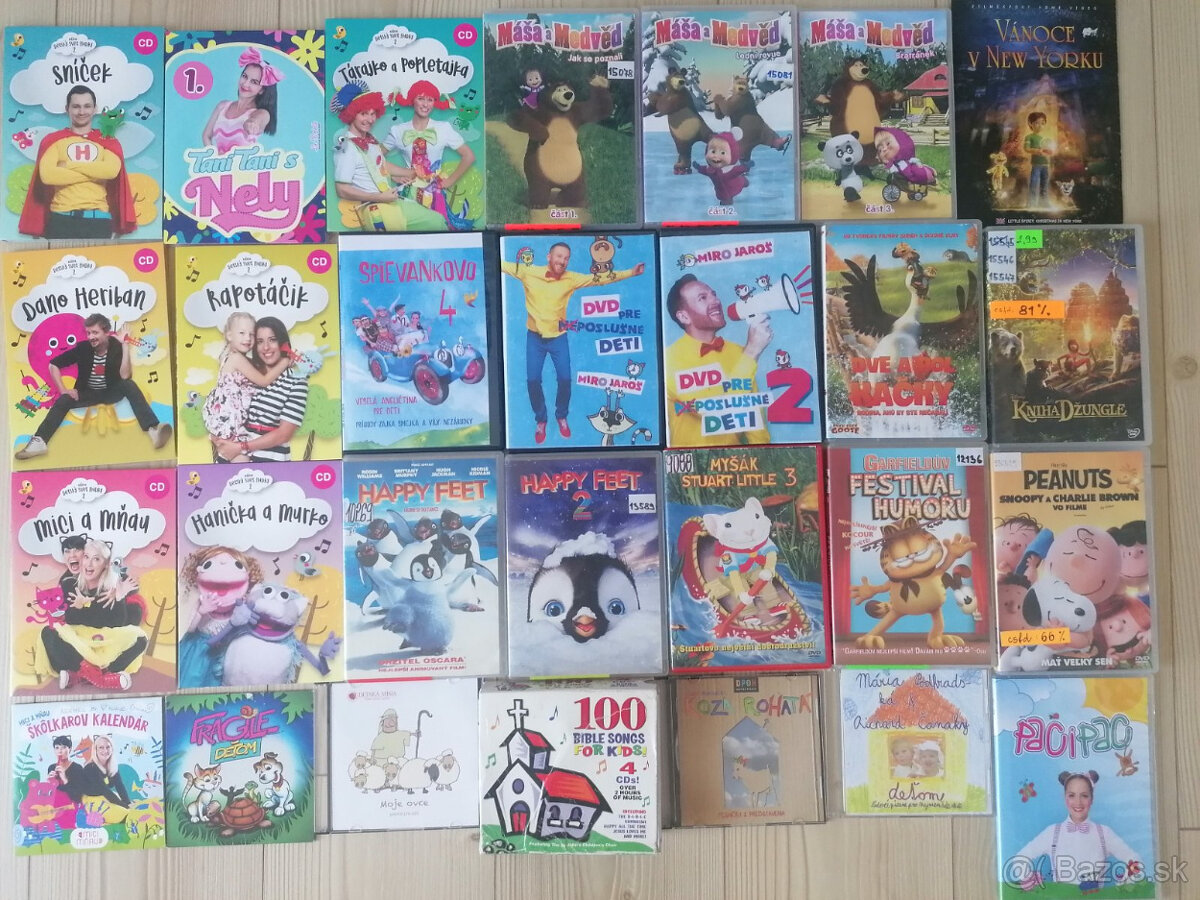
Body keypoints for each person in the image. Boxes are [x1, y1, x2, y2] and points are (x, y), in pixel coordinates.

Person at [501, 243, 645, 443]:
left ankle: (561, 416)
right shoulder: (528, 272)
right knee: (533, 380)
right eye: (559, 256)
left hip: (558, 338)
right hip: (534, 338)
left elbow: (599, 279)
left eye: (566, 258)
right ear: (549, 256)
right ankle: (541, 420)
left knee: (565, 380)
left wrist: (631, 272)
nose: (562, 261)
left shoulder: (571, 278)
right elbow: (499, 263)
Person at [15, 313, 172, 460]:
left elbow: (125, 376)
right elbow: (53, 365)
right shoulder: (83, 348)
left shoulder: (116, 347)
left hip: (111, 392)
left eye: (95, 332)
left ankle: (154, 430)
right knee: (64, 400)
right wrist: (64, 391)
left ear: (106, 332)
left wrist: (125, 346)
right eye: (88, 333)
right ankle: (39, 442)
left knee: (129, 384)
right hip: (87, 393)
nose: (91, 337)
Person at [664, 274, 772, 446]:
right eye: (703, 298)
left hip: (737, 461)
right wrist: (752, 352)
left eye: (714, 294)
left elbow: (754, 418)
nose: (716, 301)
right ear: (684, 317)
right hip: (692, 461)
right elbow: (715, 409)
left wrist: (765, 455)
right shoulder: (669, 359)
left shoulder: (739, 352)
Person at [18, 85, 137, 239]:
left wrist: (67, 165)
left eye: (87, 106)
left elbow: (110, 171)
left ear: (95, 109)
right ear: (67, 109)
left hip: (98, 220)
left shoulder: (107, 141)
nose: (81, 112)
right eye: (76, 106)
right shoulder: (53, 140)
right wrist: (95, 173)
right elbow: (48, 176)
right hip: (60, 219)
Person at [38, 539, 147, 691]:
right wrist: (79, 607)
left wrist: (119, 597)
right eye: (86, 557)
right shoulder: (69, 584)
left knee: (140, 639)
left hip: (105, 643)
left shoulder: (112, 588)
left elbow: (117, 624)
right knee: (48, 632)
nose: (89, 564)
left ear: (106, 564)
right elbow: (72, 622)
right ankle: (100, 677)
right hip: (78, 643)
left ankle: (80, 676)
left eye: (96, 559)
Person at [330, 82, 441, 232]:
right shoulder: (346, 147)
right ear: (351, 114)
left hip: (390, 202)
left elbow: (381, 165)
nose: (370, 120)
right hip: (377, 208)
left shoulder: (370, 141)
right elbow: (342, 189)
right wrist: (379, 197)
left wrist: (413, 173)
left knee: (438, 221)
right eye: (363, 114)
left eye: (372, 114)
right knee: (428, 228)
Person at [1013, 771, 1144, 890]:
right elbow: (1020, 859)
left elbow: (1135, 860)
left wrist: (1124, 883)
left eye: (1084, 796)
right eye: (1072, 795)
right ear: (1065, 798)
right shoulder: (1052, 832)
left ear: (1092, 799)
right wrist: (1030, 881)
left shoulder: (1104, 833)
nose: (1078, 802)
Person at [211, 317, 309, 463]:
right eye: (260, 341)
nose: (266, 347)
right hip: (231, 454)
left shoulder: (296, 381)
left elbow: (284, 434)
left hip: (269, 459)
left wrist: (241, 447)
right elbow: (227, 407)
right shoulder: (247, 373)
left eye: (272, 340)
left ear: (283, 343)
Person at [382, 80, 475, 227]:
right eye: (421, 99)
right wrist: (394, 176)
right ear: (412, 100)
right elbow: (374, 158)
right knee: (411, 230)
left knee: (438, 227)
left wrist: (450, 181)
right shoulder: (398, 130)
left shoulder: (443, 128)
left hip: (434, 193)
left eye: (430, 100)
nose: (425, 104)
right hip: (408, 192)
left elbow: (468, 156)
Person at [202, 48, 280, 154]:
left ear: (262, 90)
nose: (245, 84)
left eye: (254, 82)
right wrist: (214, 158)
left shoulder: (261, 113)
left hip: (244, 165)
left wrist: (252, 123)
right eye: (244, 76)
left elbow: (256, 120)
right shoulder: (222, 106)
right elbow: (206, 135)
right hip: (218, 164)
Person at [81, 735, 130, 810]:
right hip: (89, 801)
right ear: (95, 750)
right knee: (121, 811)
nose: (105, 750)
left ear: (112, 749)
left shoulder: (112, 766)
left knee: (123, 805)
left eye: (108, 747)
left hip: (103, 798)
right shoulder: (90, 768)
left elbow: (120, 786)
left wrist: (128, 803)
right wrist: (125, 807)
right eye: (101, 747)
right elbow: (104, 790)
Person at [1024, 111, 1055, 209]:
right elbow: (1026, 149)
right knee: (1034, 183)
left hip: (1045, 164)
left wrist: (1050, 152)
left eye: (1042, 123)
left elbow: (1050, 151)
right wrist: (1037, 151)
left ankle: (1043, 202)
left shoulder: (1045, 138)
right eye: (1037, 123)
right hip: (1036, 164)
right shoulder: (1029, 137)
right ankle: (1031, 203)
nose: (1040, 125)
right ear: (1030, 123)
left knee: (1044, 184)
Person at [46, 735, 87, 803]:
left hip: (72, 806)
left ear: (70, 749)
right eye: (57, 748)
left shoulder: (77, 768)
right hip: (55, 805)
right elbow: (50, 795)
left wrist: (65, 779)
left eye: (63, 747)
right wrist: (48, 783)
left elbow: (78, 797)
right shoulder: (51, 768)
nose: (60, 751)